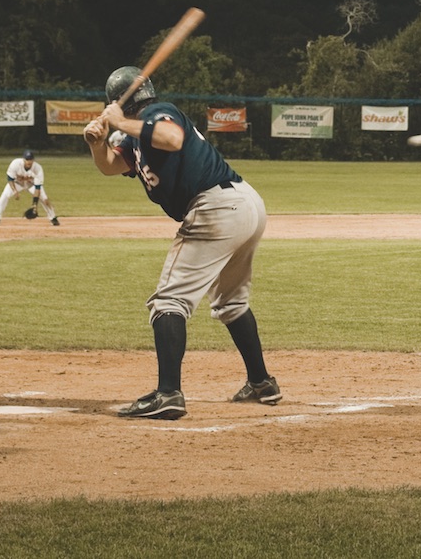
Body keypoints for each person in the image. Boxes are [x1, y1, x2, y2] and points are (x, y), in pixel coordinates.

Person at [82, 67, 279, 420]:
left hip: (216, 206)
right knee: (230, 301)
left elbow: (170, 138)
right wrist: (98, 144)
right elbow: (111, 166)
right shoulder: (136, 134)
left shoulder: (158, 113)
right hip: (242, 204)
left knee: (169, 300)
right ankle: (262, 382)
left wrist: (120, 121)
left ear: (119, 102)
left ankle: (168, 393)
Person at [0, 148, 59, 226]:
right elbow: (10, 179)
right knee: (5, 195)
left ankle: (53, 218)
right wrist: (14, 190)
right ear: (23, 159)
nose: (28, 161)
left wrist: (35, 205)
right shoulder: (15, 164)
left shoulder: (38, 168)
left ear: (33, 160)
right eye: (27, 159)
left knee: (44, 199)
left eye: (30, 159)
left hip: (31, 185)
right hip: (17, 183)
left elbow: (37, 188)